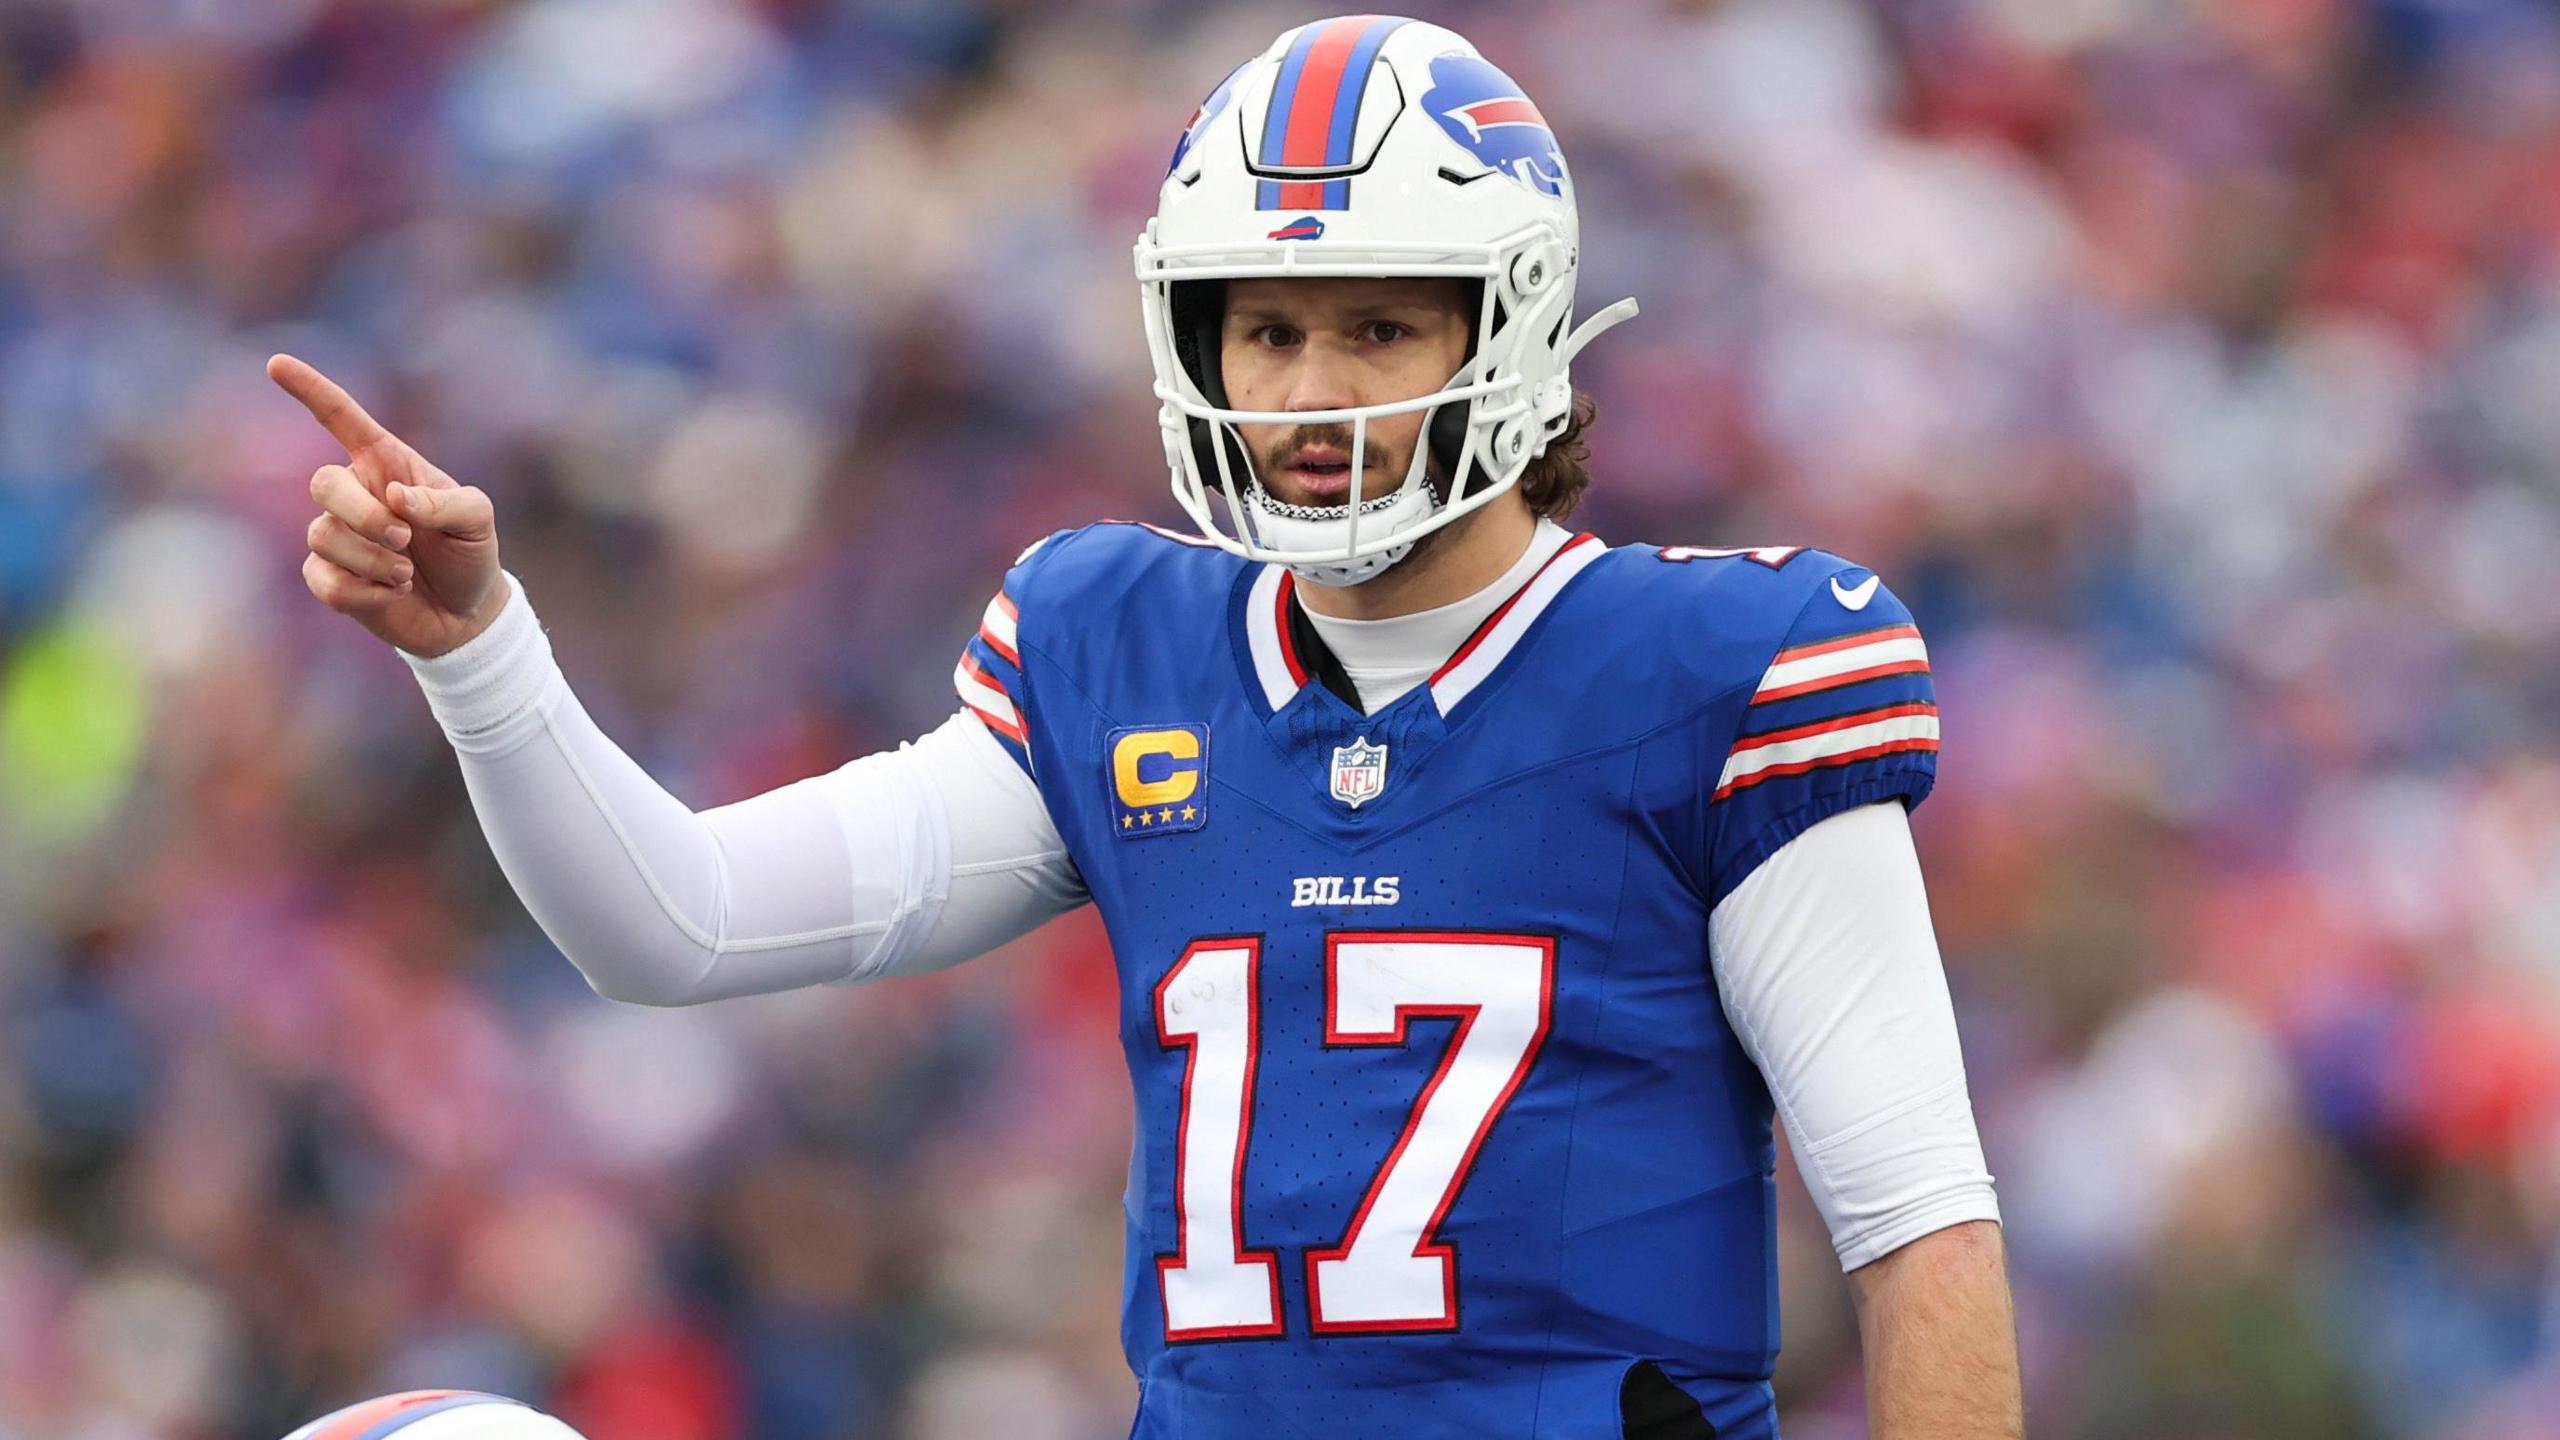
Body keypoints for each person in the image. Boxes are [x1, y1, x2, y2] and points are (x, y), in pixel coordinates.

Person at [273, 16, 2021, 1439]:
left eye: (1380, 325)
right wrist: (479, 650)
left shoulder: (1713, 672)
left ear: (1515, 332)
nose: (1314, 391)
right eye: (1267, 328)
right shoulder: (1118, 648)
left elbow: (1918, 1230)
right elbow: (678, 923)